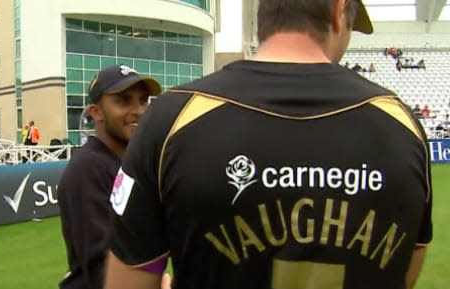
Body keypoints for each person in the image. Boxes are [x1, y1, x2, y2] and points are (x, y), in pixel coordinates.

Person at [105, 1, 432, 289]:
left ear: (265, 16)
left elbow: (129, 277)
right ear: (338, 11)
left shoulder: (170, 119)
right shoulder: (403, 126)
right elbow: (404, 272)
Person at [57, 64, 162, 289]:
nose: (139, 110)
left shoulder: (132, 164)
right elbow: (101, 265)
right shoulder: (87, 168)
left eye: (143, 100)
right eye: (124, 101)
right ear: (96, 112)